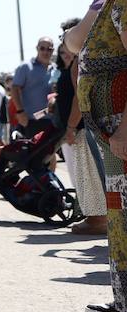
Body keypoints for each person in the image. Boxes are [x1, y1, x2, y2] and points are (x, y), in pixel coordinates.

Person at [72, 0, 127, 312]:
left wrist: (125, 126)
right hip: (113, 136)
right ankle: (125, 306)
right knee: (120, 218)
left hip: (123, 133)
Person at [54, 25, 107, 235]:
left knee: (89, 173)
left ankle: (97, 219)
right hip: (95, 125)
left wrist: (70, 127)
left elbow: (80, 98)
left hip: (85, 127)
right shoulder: (92, 56)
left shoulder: (80, 61)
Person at [11, 37, 56, 135]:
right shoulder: (25, 67)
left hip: (53, 120)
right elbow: (14, 89)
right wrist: (20, 111)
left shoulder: (56, 69)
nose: (45, 52)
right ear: (37, 48)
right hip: (32, 121)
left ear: (53, 50)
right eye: (42, 48)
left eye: (49, 49)